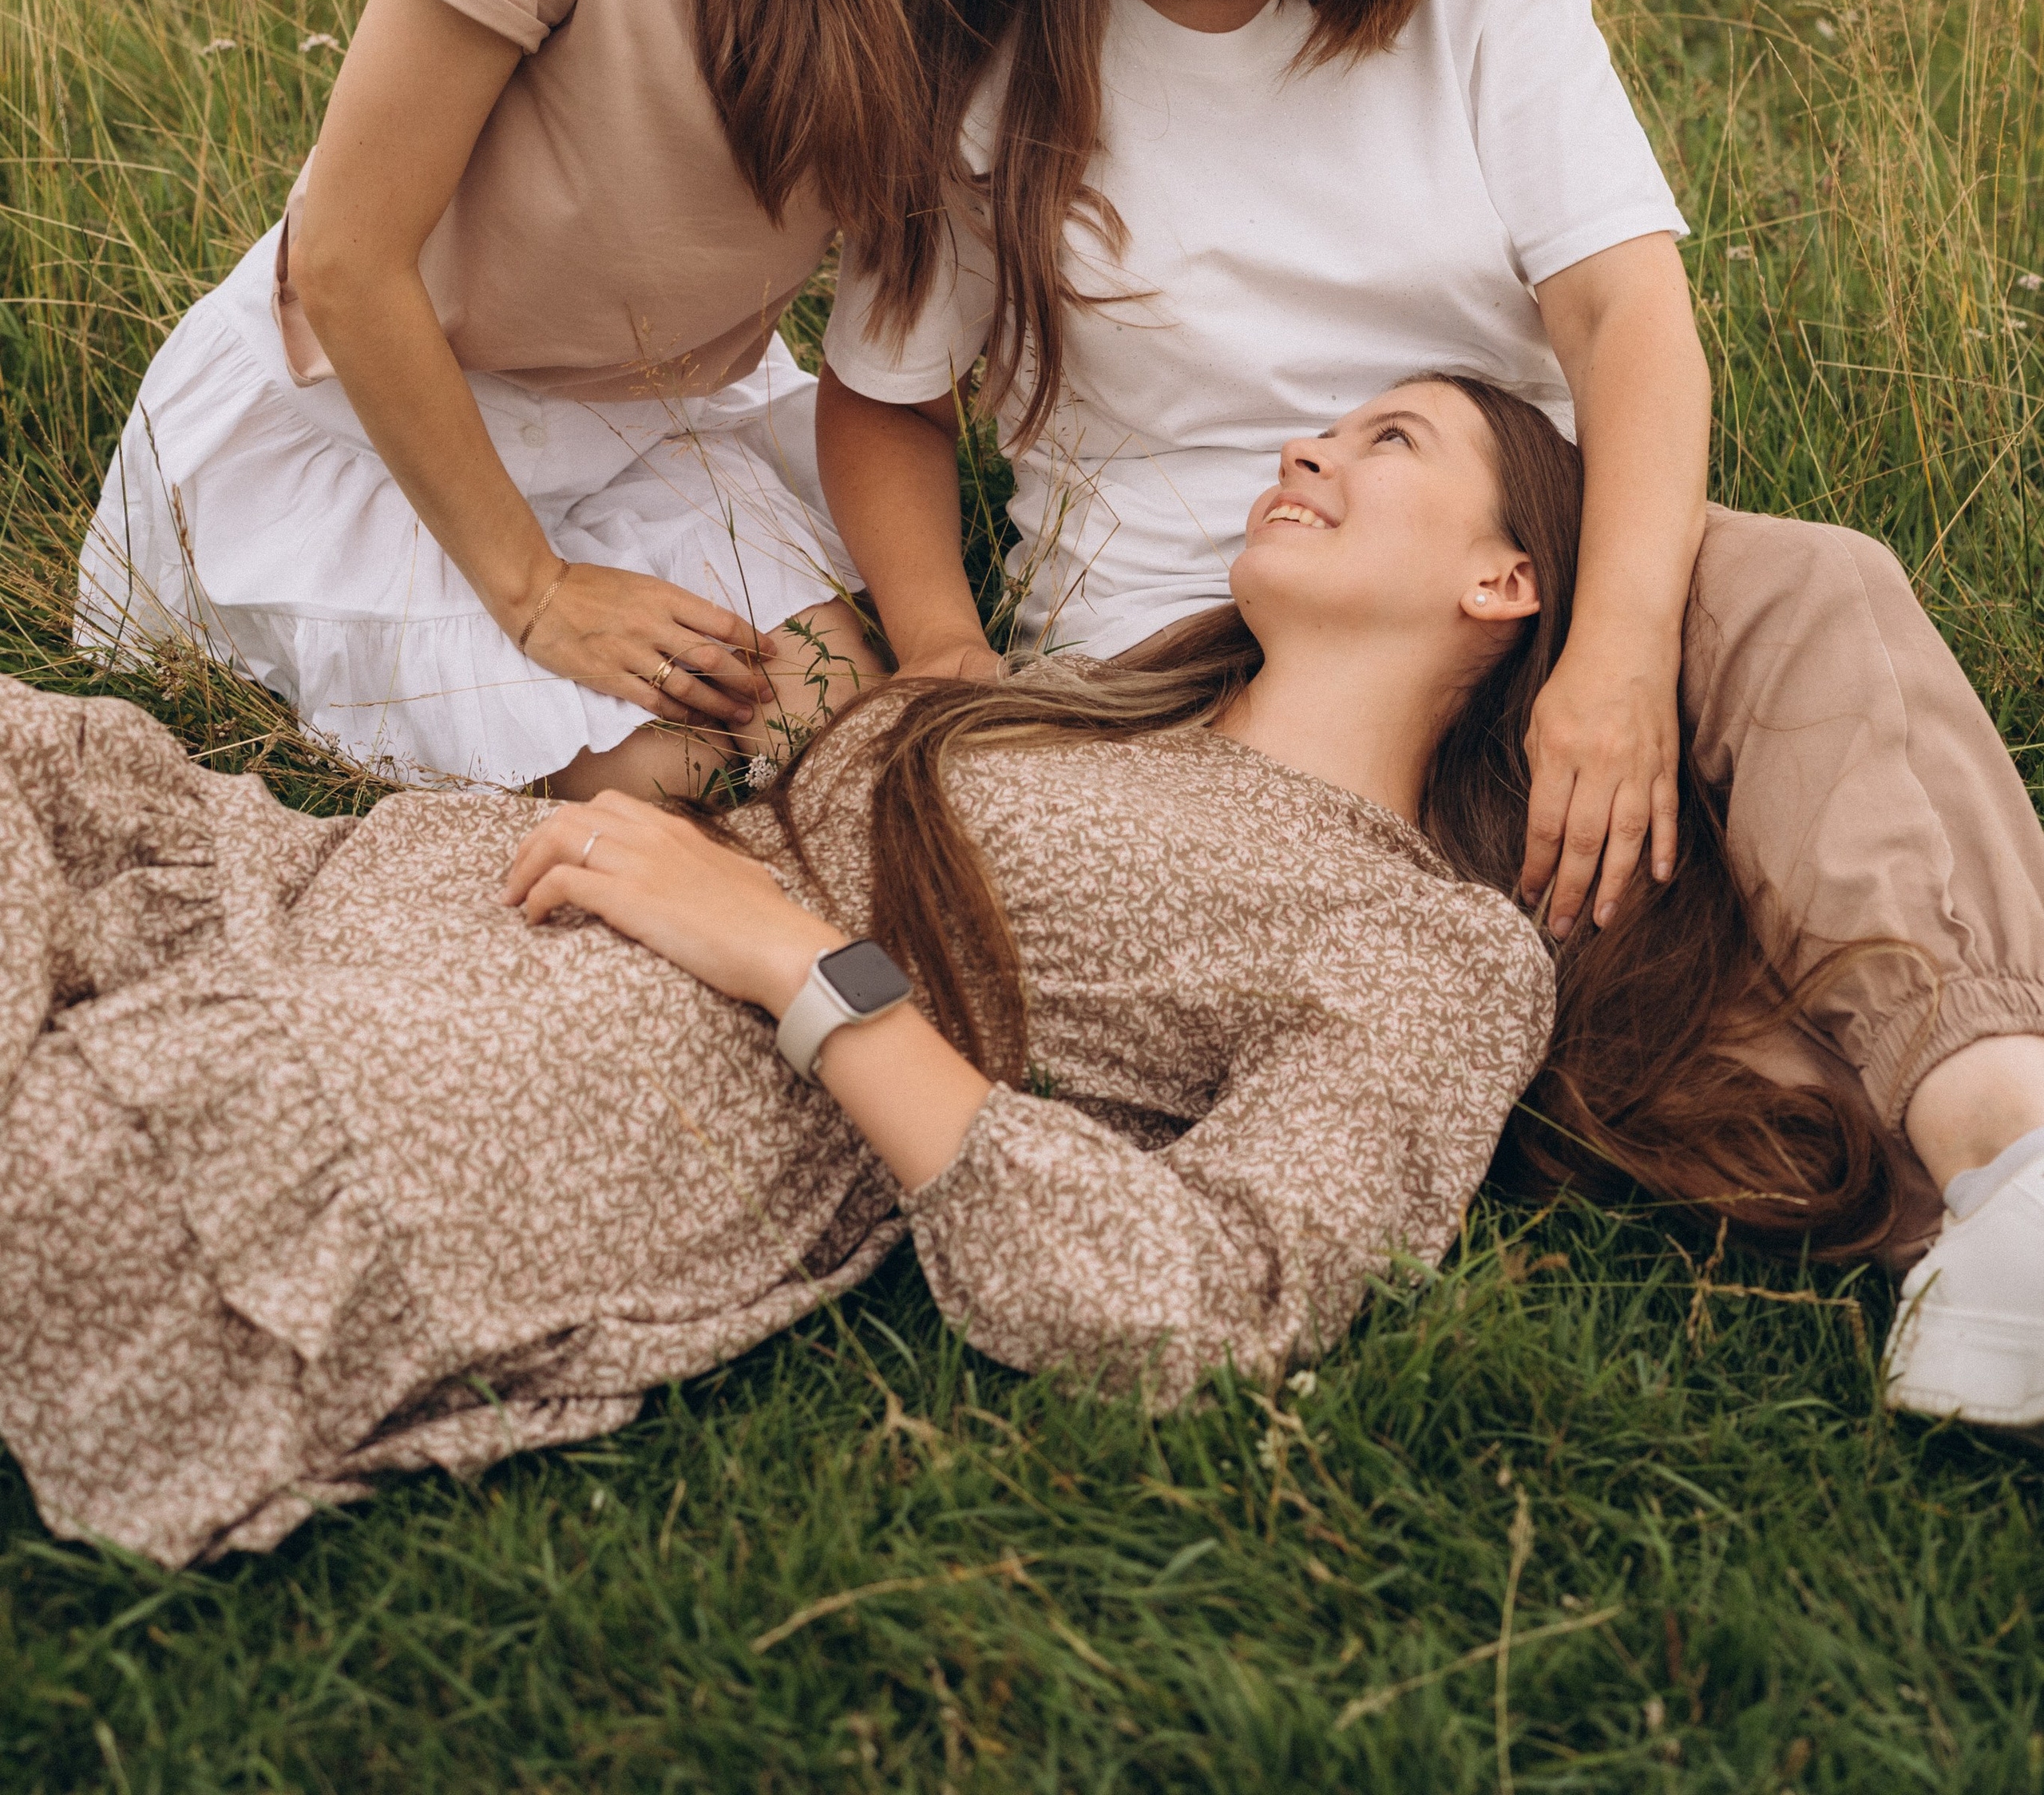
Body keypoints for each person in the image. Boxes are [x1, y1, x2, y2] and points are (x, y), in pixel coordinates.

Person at [815, 0, 2044, 1427]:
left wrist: (1613, 655)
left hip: (1501, 544)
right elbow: (882, 396)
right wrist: (942, 661)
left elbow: (1627, 317)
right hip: (1199, 625)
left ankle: (2009, 1154)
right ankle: (1938, 1185)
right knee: (1640, 980)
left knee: (1810, 594)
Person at [0, 375, 1564, 1569]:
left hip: (647, 1070)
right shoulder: (1093, 698)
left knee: (80, 1150)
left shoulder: (1433, 942)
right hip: (488, 888)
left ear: (1503, 579)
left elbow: (1202, 1303)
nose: (1306, 450)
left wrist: (799, 961)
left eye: (1389, 441)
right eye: (1324, 428)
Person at [75, 0, 1159, 802]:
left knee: (835, 741)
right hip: (376, 424)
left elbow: (893, 351)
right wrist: (538, 593)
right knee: (675, 774)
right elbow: (347, 258)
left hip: (649, 427)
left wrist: (942, 640)